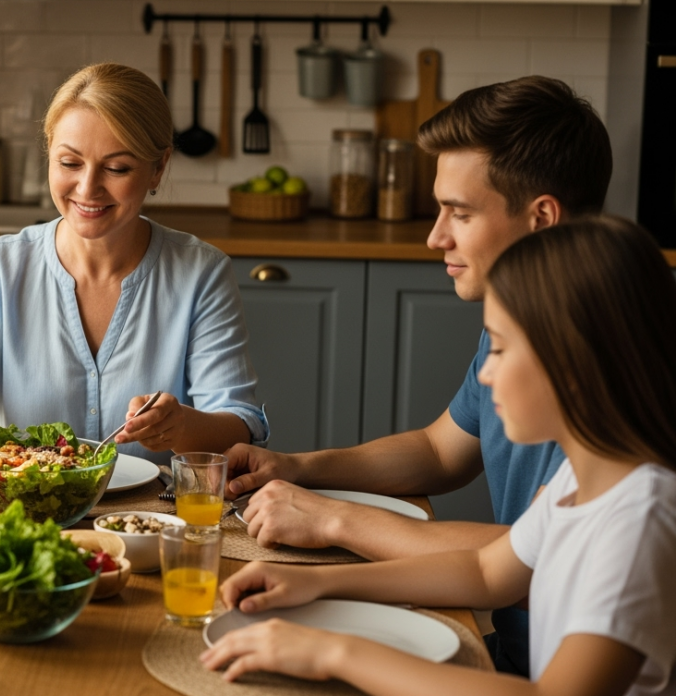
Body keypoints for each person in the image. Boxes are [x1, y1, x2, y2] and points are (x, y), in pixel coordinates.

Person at [220, 76, 612, 674]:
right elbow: (442, 449)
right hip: (509, 656)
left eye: (460, 212)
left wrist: (331, 518)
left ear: (542, 219)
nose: (435, 236)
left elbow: (533, 560)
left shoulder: (609, 374)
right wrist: (298, 468)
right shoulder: (518, 328)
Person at [203, 217, 676, 696]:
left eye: (502, 350)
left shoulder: (639, 519)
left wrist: (332, 652)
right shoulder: (584, 478)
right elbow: (486, 573)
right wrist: (318, 584)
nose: (485, 377)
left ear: (575, 367)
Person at [0, 62, 268, 463]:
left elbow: (238, 429)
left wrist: (181, 426)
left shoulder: (201, 273)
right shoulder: (0, 269)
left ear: (158, 168)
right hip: (27, 518)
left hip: (154, 519)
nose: (87, 188)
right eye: (69, 163)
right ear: (49, 153)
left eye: (117, 168)